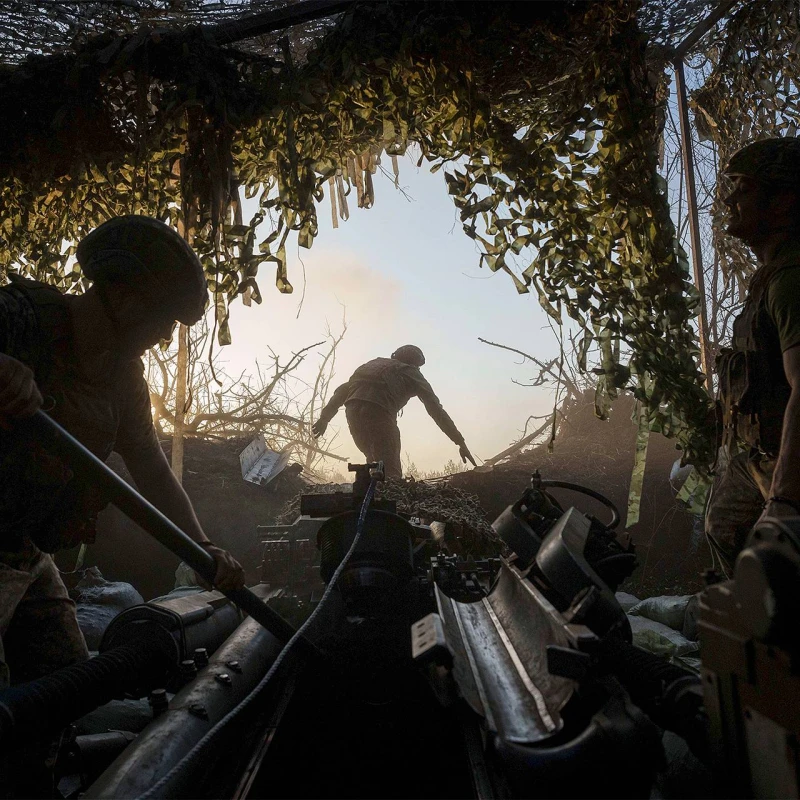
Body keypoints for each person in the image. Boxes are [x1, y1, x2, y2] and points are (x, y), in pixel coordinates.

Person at [0, 215, 245, 688]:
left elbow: (151, 468)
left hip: (25, 548)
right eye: (162, 319)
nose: (164, 337)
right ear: (124, 296)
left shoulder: (124, 378)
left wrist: (203, 548)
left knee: (63, 685)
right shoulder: (21, 316)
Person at [707, 136, 800, 576]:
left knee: (776, 577)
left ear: (782, 203)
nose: (729, 199)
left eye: (743, 188)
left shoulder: (791, 279)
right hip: (758, 457)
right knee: (723, 528)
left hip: (786, 462)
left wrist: (784, 499)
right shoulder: (767, 280)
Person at [311, 344, 476, 478]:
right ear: (415, 363)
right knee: (391, 472)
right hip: (379, 414)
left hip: (353, 413)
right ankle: (391, 513)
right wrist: (459, 441)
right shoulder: (411, 372)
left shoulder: (371, 365)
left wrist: (324, 418)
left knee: (374, 462)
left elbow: (342, 392)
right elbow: (435, 408)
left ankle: (368, 507)